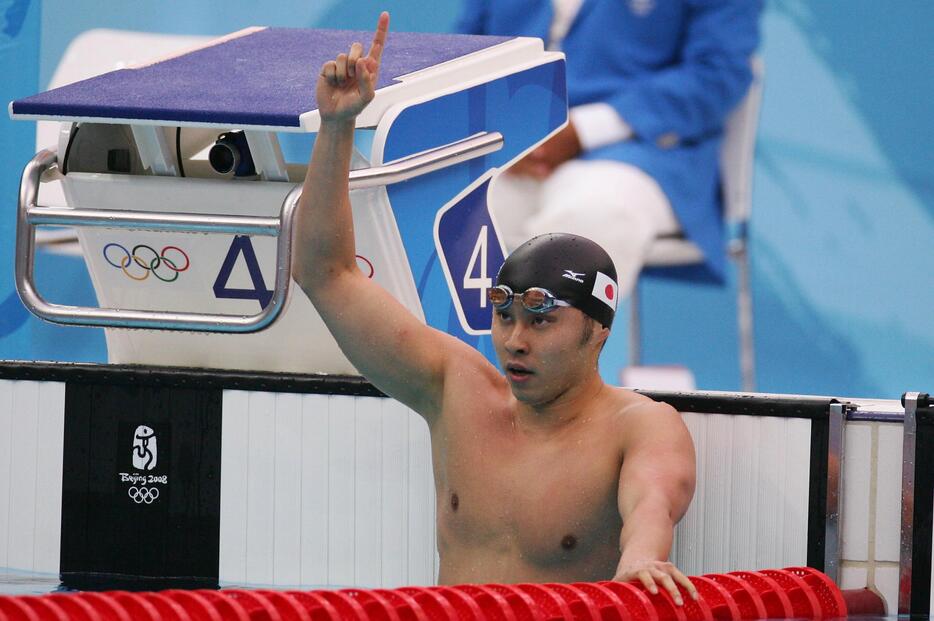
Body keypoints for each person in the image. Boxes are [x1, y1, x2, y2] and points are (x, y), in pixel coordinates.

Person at [292, 12, 697, 596]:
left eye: (541, 319)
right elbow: (326, 274)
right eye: (503, 315)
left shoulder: (638, 428)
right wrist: (336, 129)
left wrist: (641, 559)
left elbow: (652, 507)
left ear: (598, 330)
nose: (515, 340)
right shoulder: (457, 391)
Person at [457, 0, 763, 295]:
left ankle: (542, 346)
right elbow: (460, 57)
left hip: (645, 150)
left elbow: (718, 72)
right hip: (513, 149)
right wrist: (500, 128)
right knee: (448, 211)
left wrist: (583, 130)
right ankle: (457, 348)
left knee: (585, 222)